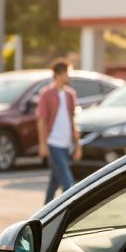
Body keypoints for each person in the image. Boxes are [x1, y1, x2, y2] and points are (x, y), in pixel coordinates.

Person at [37, 60, 82, 203]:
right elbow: (42, 121)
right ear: (60, 74)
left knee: (54, 182)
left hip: (66, 144)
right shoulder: (46, 94)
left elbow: (73, 121)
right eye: (67, 74)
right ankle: (73, 210)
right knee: (68, 184)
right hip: (53, 143)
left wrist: (77, 145)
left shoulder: (70, 95)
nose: (69, 77)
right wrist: (43, 144)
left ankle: (44, 213)